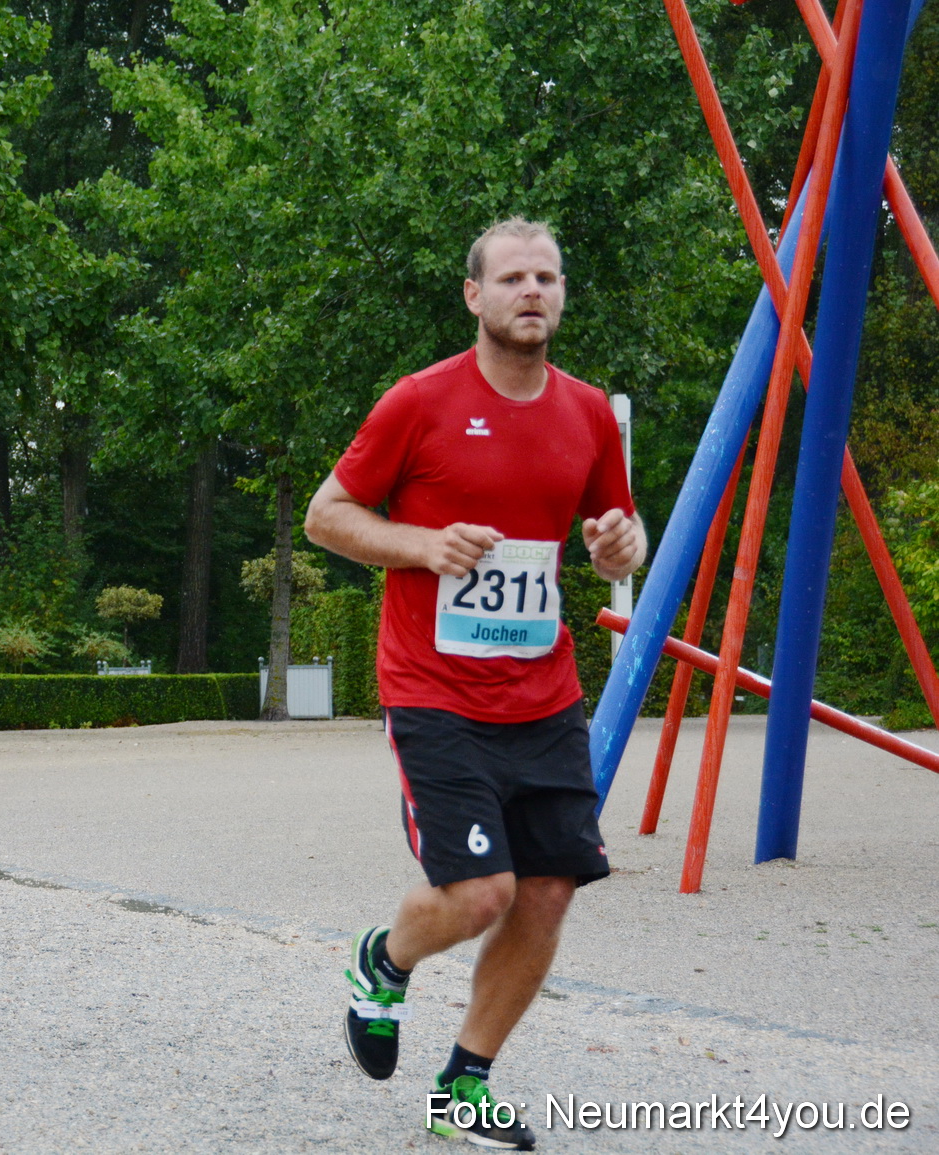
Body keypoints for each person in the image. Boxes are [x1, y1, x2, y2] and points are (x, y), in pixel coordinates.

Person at [304, 218, 647, 1150]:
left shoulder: (583, 413)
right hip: (434, 691)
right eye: (511, 279)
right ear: (475, 296)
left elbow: (620, 526)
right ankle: (383, 959)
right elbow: (325, 514)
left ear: (563, 294)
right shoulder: (418, 403)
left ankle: (466, 1083)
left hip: (544, 696)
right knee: (482, 890)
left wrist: (623, 543)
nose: (531, 291)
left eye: (547, 278)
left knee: (548, 893)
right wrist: (422, 544)